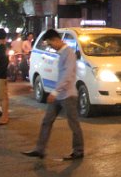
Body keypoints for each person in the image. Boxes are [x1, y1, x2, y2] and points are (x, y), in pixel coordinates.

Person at [22, 30, 84, 160]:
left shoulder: (69, 54)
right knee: (47, 121)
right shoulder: (61, 54)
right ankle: (40, 149)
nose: (50, 46)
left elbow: (67, 75)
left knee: (73, 124)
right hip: (59, 94)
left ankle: (78, 151)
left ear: (56, 40)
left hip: (68, 95)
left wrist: (55, 92)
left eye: (50, 44)